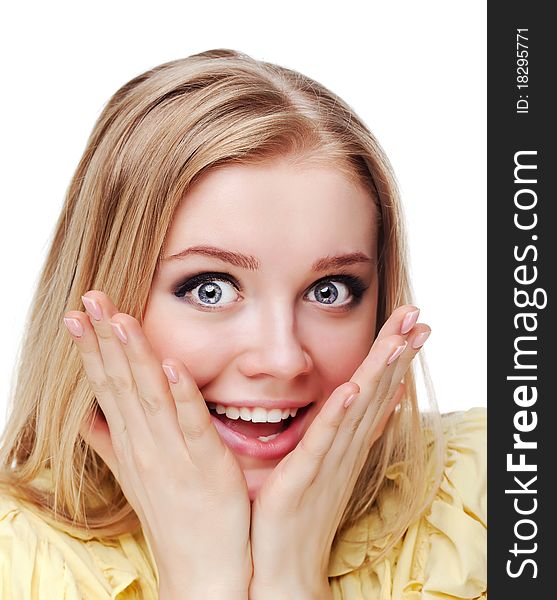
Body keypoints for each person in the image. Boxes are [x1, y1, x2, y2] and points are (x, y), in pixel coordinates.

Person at [0, 48, 486, 599]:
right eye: (210, 289)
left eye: (330, 291)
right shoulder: (15, 561)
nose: (282, 358)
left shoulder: (497, 496)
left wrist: (292, 578)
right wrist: (205, 580)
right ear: (104, 296)